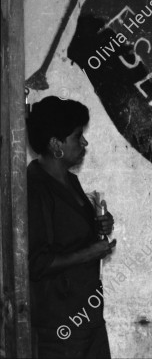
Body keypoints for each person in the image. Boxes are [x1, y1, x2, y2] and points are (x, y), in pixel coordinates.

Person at [27, 96, 116, 358]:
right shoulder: (35, 189)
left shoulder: (70, 182)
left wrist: (100, 223)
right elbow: (37, 263)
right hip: (60, 325)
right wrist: (91, 253)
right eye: (78, 136)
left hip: (87, 313)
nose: (84, 142)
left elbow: (72, 234)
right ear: (56, 144)